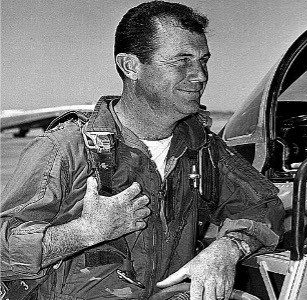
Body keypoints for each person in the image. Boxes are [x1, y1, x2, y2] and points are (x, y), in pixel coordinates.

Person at [0, 2, 284, 299]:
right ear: (130, 66)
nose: (199, 75)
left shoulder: (200, 147)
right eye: (181, 61)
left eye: (203, 60)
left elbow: (264, 205)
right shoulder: (66, 149)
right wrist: (85, 232)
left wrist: (228, 249)